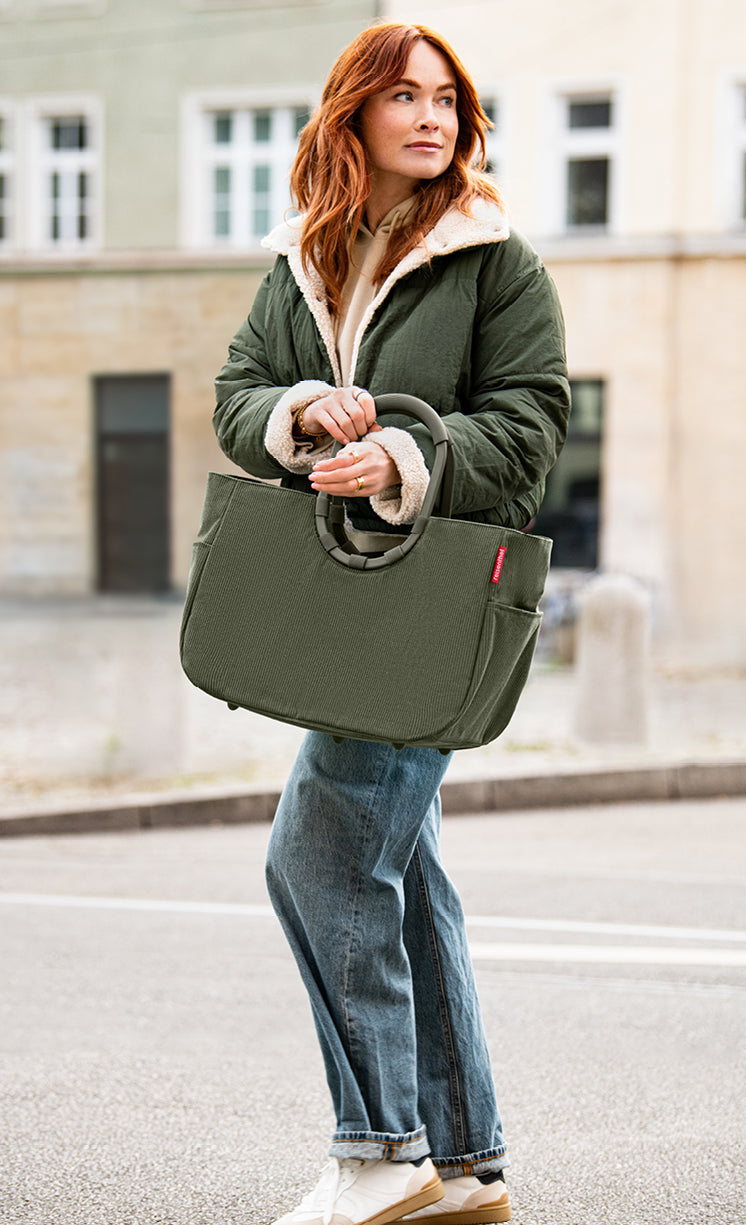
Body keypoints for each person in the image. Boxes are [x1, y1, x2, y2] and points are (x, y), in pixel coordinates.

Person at [213, 21, 570, 1225]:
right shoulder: (303, 259)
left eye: (446, 100)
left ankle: (379, 1149)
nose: (430, 117)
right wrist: (301, 409)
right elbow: (235, 396)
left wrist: (403, 453)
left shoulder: (495, 261)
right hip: (347, 607)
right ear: (352, 114)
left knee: (317, 857)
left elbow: (529, 429)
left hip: (432, 609)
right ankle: (460, 1164)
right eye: (404, 97)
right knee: (398, 873)